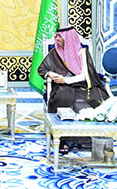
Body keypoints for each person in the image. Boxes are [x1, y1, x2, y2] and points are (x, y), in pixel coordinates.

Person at [38, 26, 109, 154]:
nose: (57, 39)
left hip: (83, 85)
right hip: (62, 86)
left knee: (97, 99)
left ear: (69, 38)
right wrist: (50, 74)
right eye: (57, 36)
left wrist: (67, 80)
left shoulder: (82, 53)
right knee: (62, 98)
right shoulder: (55, 53)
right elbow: (42, 69)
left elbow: (86, 75)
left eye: (60, 36)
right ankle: (61, 138)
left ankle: (91, 136)